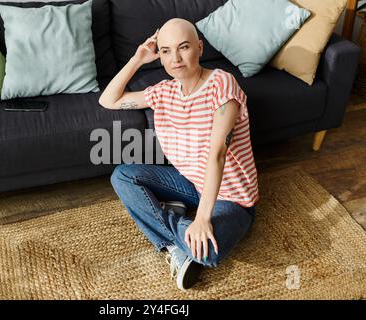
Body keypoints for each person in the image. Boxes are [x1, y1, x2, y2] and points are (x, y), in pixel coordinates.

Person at [98, 18, 259, 291]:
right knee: (123, 176)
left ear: (199, 47)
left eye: (183, 47)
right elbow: (108, 100)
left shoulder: (222, 84)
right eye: (166, 51)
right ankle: (177, 241)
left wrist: (202, 219)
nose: (176, 58)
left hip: (233, 198)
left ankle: (175, 232)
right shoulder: (164, 92)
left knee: (205, 253)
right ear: (159, 56)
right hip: (192, 184)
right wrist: (138, 58)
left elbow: (217, 153)